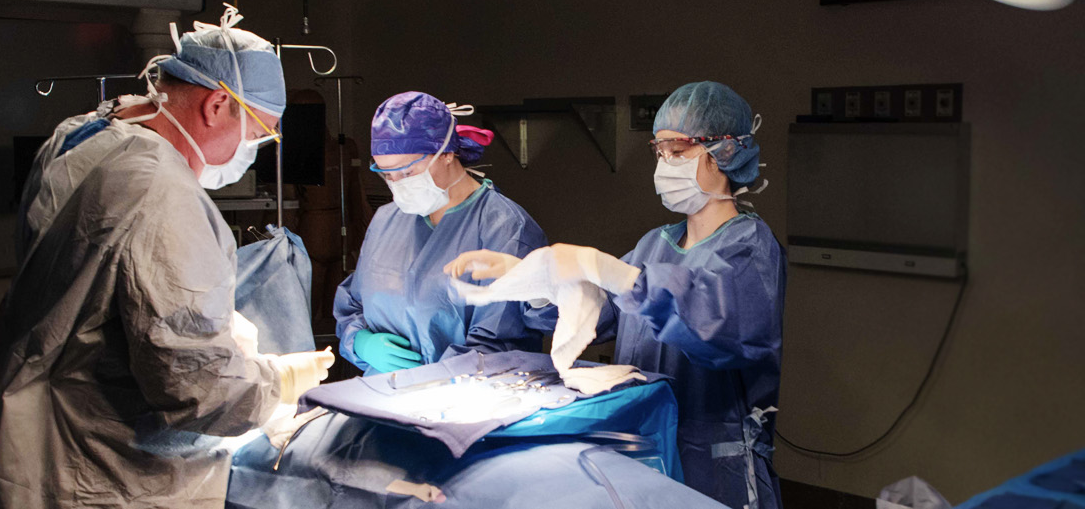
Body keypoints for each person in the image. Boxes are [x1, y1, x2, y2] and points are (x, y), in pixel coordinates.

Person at [0, 9, 335, 509]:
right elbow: (199, 388)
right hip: (108, 470)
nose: (255, 150)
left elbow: (108, 288)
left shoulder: (83, 134)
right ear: (218, 104)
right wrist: (274, 382)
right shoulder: (161, 191)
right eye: (261, 132)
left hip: (40, 425)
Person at [447, 81, 785, 509]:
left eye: (678, 151)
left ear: (725, 152)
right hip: (645, 442)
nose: (665, 163)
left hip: (714, 467)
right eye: (659, 152)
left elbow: (718, 325)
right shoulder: (654, 244)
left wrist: (606, 268)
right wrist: (532, 278)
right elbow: (599, 313)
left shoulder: (750, 246)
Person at [332, 92, 549, 374]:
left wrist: (433, 379)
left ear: (447, 153)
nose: (397, 185)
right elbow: (353, 303)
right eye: (387, 175)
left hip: (467, 402)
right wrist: (359, 341)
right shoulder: (386, 219)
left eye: (407, 173)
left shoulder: (505, 228)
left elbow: (502, 344)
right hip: (384, 395)